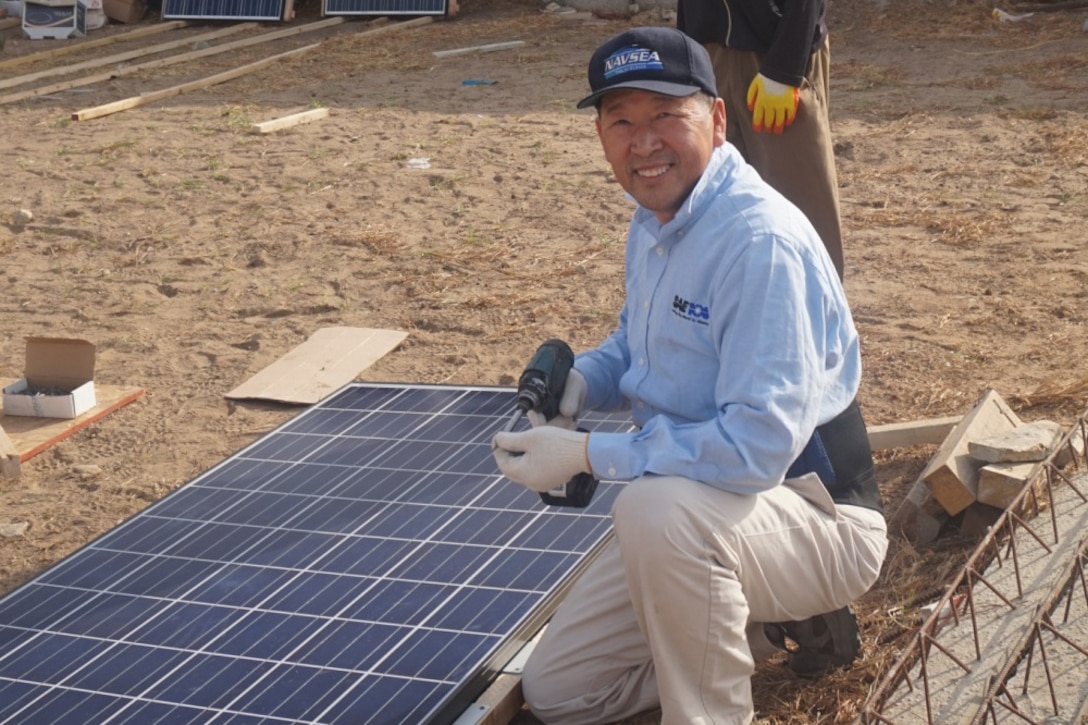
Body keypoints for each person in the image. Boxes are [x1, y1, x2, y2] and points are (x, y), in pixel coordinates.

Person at [491, 27, 887, 724]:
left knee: (652, 511)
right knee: (561, 689)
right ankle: (772, 627)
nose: (644, 143)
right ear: (601, 135)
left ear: (717, 118)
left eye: (667, 116)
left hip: (818, 514)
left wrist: (588, 452)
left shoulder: (758, 243)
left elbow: (756, 448)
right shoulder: (657, 218)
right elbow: (636, 340)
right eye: (622, 121)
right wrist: (584, 382)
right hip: (710, 510)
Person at [676, 0, 845, 279]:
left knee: (800, 204)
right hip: (708, 53)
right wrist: (686, 49)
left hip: (771, 55)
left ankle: (818, 314)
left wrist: (784, 68)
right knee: (717, 199)